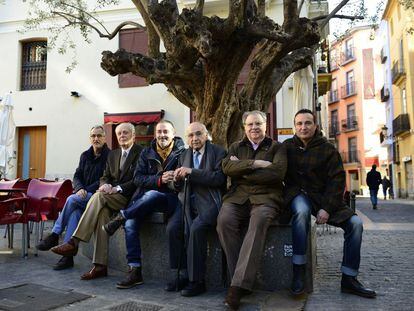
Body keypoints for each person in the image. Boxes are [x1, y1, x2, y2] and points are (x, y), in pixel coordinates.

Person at [284, 109, 376, 298]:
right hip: (297, 195)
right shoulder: (285, 147)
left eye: (307, 123)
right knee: (300, 213)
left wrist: (327, 208)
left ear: (315, 126)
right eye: (299, 123)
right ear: (295, 126)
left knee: (356, 224)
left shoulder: (327, 149)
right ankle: (299, 271)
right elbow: (273, 167)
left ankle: (349, 278)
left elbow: (337, 181)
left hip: (323, 198)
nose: (303, 127)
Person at [51, 122, 143, 280]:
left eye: (126, 133)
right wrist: (104, 184)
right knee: (102, 215)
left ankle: (74, 241)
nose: (122, 136)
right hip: (111, 197)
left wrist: (117, 188)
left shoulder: (142, 152)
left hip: (130, 198)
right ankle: (100, 266)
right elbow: (105, 176)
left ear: (133, 136)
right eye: (119, 133)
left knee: (98, 196)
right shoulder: (113, 155)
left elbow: (139, 179)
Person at [102, 120, 185, 290]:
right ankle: (135, 270)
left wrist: (174, 179)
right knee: (131, 223)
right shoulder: (146, 152)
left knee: (151, 195)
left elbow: (185, 179)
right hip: (145, 199)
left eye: (166, 132)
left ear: (173, 133)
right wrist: (159, 179)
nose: (162, 135)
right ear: (155, 134)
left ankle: (121, 216)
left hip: (171, 199)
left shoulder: (182, 153)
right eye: (159, 131)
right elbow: (138, 178)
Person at [216, 111, 287, 310]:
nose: (254, 127)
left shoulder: (277, 148)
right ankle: (240, 280)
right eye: (250, 124)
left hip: (266, 198)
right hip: (238, 197)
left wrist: (243, 170)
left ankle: (236, 287)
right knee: (224, 222)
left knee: (258, 223)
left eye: (258, 123)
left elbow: (277, 173)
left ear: (266, 125)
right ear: (244, 127)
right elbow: (227, 168)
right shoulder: (235, 146)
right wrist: (256, 164)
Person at [36, 125, 110, 270]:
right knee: (74, 214)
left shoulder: (110, 156)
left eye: (99, 136)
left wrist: (85, 189)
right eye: (93, 136)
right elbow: (77, 175)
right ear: (90, 138)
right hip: (83, 195)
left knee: (71, 199)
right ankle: (68, 257)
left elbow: (106, 178)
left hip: (98, 196)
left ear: (104, 137)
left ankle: (55, 234)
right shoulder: (85, 155)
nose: (96, 138)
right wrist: (79, 188)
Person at [172, 122, 226, 297]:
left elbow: (219, 179)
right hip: (187, 202)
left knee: (195, 229)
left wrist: (192, 172)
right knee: (173, 228)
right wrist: (176, 178)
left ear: (206, 135)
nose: (194, 139)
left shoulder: (218, 152)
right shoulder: (184, 154)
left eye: (198, 134)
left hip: (211, 202)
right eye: (190, 135)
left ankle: (197, 281)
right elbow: (178, 186)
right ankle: (182, 274)